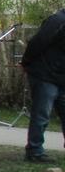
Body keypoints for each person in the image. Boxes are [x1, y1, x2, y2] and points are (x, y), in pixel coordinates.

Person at [20, 9, 65, 163]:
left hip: (61, 76)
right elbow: (37, 42)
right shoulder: (57, 21)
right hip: (45, 74)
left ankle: (35, 149)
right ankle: (34, 150)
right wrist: (26, 62)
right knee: (41, 114)